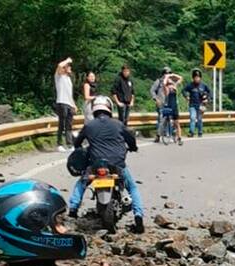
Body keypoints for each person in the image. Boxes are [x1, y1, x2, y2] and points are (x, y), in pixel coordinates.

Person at [70, 96, 146, 233]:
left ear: (94, 110)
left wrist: (81, 150)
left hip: (95, 165)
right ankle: (138, 217)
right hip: (118, 165)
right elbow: (131, 139)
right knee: (133, 188)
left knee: (81, 183)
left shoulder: (89, 126)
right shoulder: (118, 124)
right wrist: (133, 147)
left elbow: (77, 143)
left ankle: (73, 210)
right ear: (109, 109)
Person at [54, 58, 77, 152]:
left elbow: (69, 94)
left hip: (69, 104)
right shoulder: (59, 76)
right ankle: (59, 144)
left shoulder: (68, 79)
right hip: (61, 102)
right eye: (68, 67)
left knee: (69, 125)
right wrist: (67, 60)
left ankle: (70, 144)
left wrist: (74, 105)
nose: (70, 68)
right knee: (61, 124)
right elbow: (59, 65)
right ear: (64, 68)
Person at [182, 69, 211, 138]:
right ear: (193, 78)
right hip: (192, 105)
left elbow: (210, 92)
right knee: (192, 118)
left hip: (200, 105)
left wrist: (207, 99)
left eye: (198, 77)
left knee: (199, 119)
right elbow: (183, 90)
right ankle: (191, 132)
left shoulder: (203, 86)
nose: (197, 79)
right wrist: (186, 96)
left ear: (200, 78)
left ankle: (200, 132)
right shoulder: (190, 85)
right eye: (195, 77)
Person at [159, 74, 184, 145]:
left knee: (177, 123)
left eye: (171, 83)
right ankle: (166, 132)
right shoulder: (166, 88)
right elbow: (164, 83)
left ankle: (179, 138)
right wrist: (166, 77)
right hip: (168, 106)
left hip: (174, 106)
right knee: (166, 119)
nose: (171, 84)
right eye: (169, 83)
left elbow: (181, 78)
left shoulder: (175, 87)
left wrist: (172, 75)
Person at [150, 67, 171, 143]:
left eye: (169, 73)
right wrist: (156, 99)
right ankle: (158, 135)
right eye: (166, 73)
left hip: (169, 103)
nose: (167, 75)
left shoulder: (171, 82)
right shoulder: (158, 81)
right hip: (160, 103)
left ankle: (167, 133)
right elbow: (152, 90)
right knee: (161, 118)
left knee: (168, 119)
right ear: (163, 74)